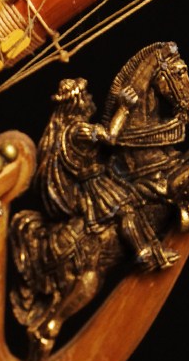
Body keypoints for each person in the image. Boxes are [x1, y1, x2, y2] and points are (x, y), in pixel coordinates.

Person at [36, 78, 179, 271]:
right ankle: (143, 254)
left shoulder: (66, 131)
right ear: (77, 102)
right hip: (96, 184)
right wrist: (124, 108)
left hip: (101, 175)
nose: (90, 97)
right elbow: (110, 137)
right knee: (125, 211)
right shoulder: (80, 130)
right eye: (85, 95)